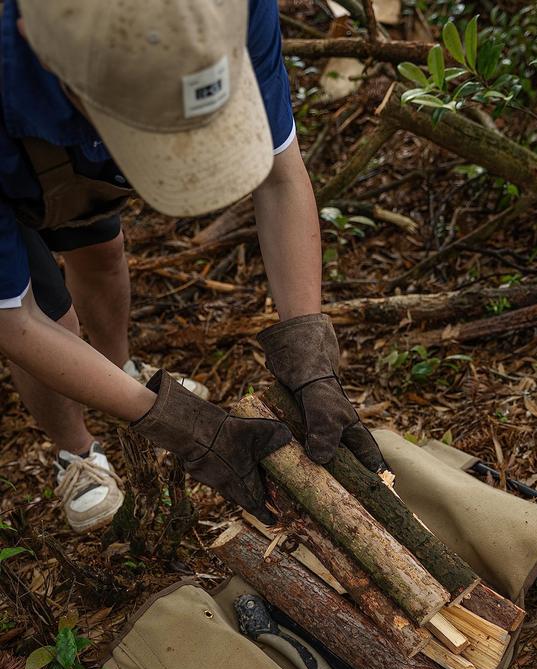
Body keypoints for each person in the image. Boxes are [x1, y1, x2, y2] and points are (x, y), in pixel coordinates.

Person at [0, 0, 384, 532]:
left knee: (101, 251)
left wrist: (308, 352)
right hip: (15, 149)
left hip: (78, 143)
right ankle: (76, 451)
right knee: (49, 310)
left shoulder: (224, 11)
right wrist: (186, 428)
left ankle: (117, 368)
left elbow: (279, 175)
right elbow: (14, 321)